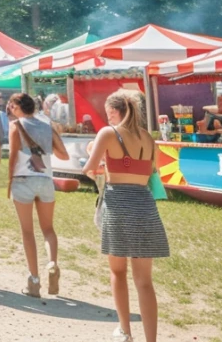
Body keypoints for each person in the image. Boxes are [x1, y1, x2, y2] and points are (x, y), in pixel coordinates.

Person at [82, 90, 169, 342]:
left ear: (115, 112)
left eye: (109, 113)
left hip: (118, 205)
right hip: (144, 206)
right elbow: (152, 171)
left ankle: (125, 331)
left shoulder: (108, 133)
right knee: (145, 281)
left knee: (117, 272)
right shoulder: (148, 139)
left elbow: (88, 168)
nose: (108, 118)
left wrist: (102, 166)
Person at [7, 92, 70, 298]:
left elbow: (14, 155)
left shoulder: (16, 126)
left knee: (27, 232)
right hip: (45, 179)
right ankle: (52, 263)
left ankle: (34, 280)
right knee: (48, 229)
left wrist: (8, 182)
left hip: (23, 180)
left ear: (17, 107)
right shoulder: (46, 125)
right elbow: (63, 154)